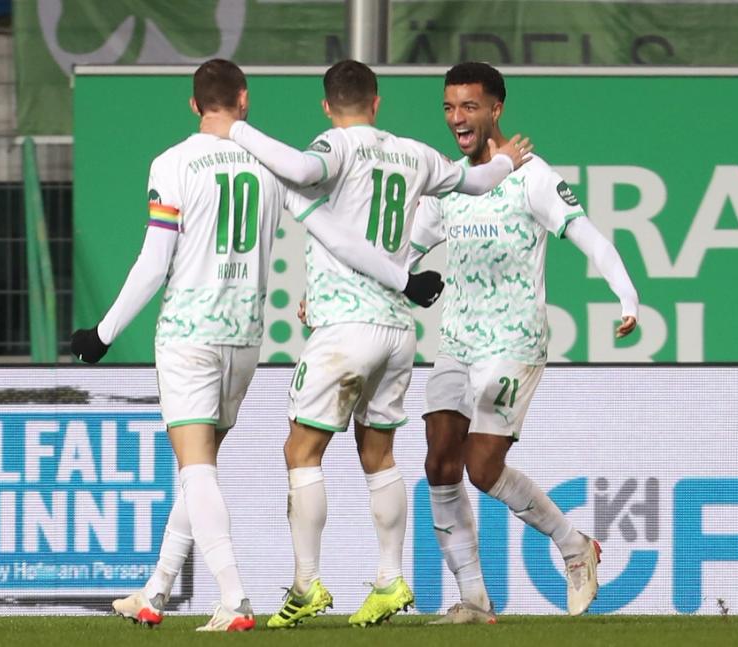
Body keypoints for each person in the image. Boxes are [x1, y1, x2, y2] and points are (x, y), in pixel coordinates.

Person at [70, 59, 443, 632]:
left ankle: (233, 597)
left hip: (190, 335)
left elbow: (153, 262)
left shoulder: (173, 163)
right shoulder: (268, 166)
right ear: (243, 101)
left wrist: (103, 333)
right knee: (199, 468)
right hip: (244, 339)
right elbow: (337, 236)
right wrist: (403, 278)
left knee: (196, 469)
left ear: (195, 105)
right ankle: (157, 591)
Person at [199, 59, 533, 628]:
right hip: (398, 331)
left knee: (300, 452)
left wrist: (236, 129)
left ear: (328, 106)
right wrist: (504, 161)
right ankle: (388, 578)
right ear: (377, 103)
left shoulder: (333, 146)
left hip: (345, 328)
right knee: (378, 454)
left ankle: (306, 585)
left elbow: (304, 168)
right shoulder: (415, 153)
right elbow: (476, 182)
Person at [408, 62, 640, 624]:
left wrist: (627, 296)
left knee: (482, 469)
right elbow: (401, 253)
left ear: (495, 109)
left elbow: (588, 235)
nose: (457, 119)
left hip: (514, 342)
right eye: (448, 107)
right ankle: (473, 599)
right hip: (458, 341)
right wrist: (331, 295)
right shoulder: (450, 182)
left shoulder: (531, 175)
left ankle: (574, 545)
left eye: (469, 106)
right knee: (440, 462)